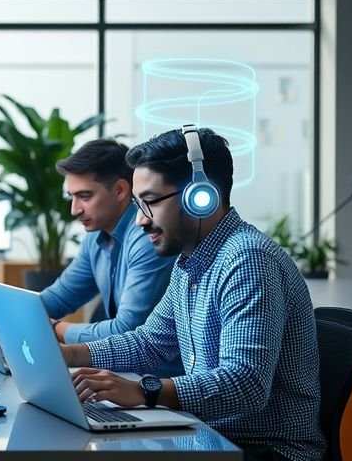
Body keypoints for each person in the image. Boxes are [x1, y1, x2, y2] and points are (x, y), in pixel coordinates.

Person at [62, 126, 325, 461]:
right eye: (137, 205)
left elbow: (245, 383)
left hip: (264, 451)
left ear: (200, 197)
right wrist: (69, 355)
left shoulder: (247, 261)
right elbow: (150, 343)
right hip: (209, 437)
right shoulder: (190, 261)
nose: (141, 221)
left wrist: (145, 391)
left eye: (151, 203)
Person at [40, 140, 177, 355]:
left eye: (84, 196)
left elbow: (127, 330)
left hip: (158, 379)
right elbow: (59, 298)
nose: (74, 210)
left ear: (121, 190)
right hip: (119, 369)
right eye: (72, 197)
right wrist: (10, 313)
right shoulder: (95, 237)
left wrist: (56, 329)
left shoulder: (147, 237)